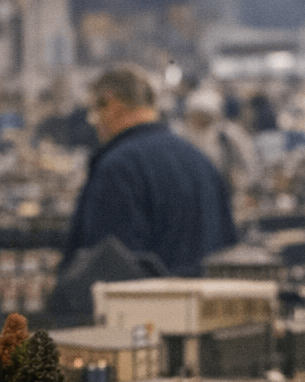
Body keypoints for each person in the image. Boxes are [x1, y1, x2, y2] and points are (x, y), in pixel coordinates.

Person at [61, 64, 237, 277]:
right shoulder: (199, 160)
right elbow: (227, 248)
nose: (95, 123)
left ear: (112, 105)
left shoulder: (118, 167)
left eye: (95, 112)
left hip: (147, 307)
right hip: (205, 303)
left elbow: (106, 266)